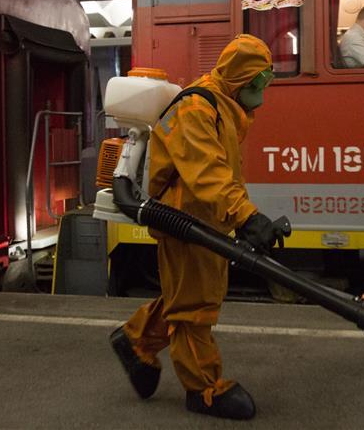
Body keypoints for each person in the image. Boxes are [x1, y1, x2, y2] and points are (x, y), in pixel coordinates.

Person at [110, 34, 290, 421]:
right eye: (257, 83)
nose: (262, 92)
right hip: (185, 220)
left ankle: (136, 339)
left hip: (207, 217)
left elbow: (220, 175)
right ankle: (203, 389)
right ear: (239, 77)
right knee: (194, 307)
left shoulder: (225, 106)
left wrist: (239, 216)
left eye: (265, 82)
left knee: (191, 294)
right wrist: (246, 216)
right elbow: (206, 172)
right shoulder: (196, 106)